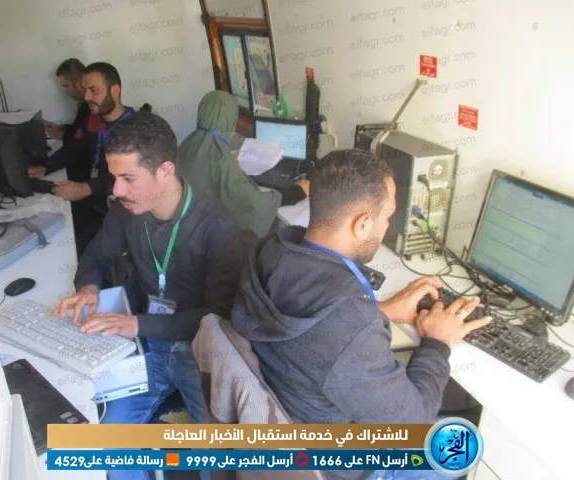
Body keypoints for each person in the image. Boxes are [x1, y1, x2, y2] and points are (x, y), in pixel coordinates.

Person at [231, 149, 492, 480]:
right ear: (363, 224)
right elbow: (413, 422)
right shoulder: (351, 329)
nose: (387, 225)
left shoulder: (273, 252)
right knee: (469, 445)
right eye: (388, 216)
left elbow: (319, 327)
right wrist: (437, 343)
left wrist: (380, 310)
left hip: (298, 419)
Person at [52, 111, 242, 480]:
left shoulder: (217, 227)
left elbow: (218, 317)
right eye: (114, 177)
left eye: (128, 178)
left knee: (216, 457)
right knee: (108, 442)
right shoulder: (127, 212)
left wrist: (135, 324)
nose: (117, 190)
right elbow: (94, 257)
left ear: (165, 171)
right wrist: (88, 287)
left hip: (199, 351)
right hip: (148, 347)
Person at [29, 62, 136, 256]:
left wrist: (86, 188)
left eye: (93, 90)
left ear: (115, 91)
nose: (86, 97)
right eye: (85, 90)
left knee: (73, 249)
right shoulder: (93, 121)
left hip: (119, 210)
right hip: (94, 201)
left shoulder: (135, 127)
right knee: (48, 231)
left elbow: (130, 175)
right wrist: (44, 168)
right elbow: (72, 150)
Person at [177, 90, 309, 239]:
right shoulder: (221, 160)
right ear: (230, 123)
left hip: (185, 229)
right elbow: (256, 206)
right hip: (206, 238)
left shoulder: (187, 145)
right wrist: (297, 191)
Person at [44, 58, 91, 144]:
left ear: (78, 82)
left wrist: (61, 136)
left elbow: (86, 141)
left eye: (66, 86)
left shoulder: (93, 107)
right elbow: (78, 128)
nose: (66, 92)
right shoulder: (83, 103)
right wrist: (61, 128)